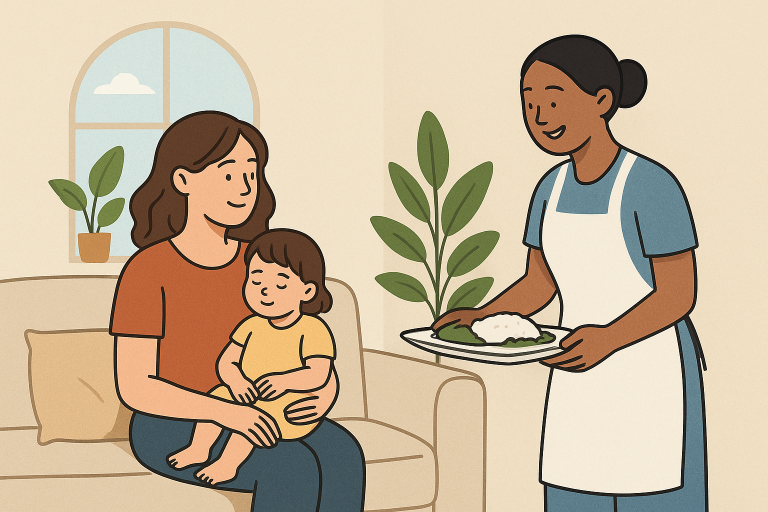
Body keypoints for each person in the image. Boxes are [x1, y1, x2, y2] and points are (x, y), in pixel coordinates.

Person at [433, 35, 706, 511]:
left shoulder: (651, 185)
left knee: (656, 493)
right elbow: (540, 284)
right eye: (529, 103)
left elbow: (678, 294)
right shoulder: (550, 189)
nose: (539, 117)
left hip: (651, 371)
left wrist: (608, 338)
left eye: (553, 100)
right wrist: (480, 317)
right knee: (576, 491)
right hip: (578, 368)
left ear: (601, 101)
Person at [110, 111, 365, 512]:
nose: (245, 187)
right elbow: (135, 386)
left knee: (343, 455)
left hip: (264, 408)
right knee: (291, 467)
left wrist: (324, 393)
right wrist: (228, 413)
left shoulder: (262, 264)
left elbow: (302, 341)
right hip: (172, 423)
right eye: (228, 173)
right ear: (183, 180)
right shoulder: (148, 269)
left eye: (252, 173)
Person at [168, 228, 337, 487]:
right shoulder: (250, 325)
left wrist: (284, 382)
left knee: (253, 419)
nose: (265, 291)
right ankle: (199, 448)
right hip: (249, 392)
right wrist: (236, 382)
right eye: (256, 281)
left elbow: (319, 373)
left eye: (281, 283)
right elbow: (227, 361)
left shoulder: (313, 329)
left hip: (289, 407)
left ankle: (227, 464)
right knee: (216, 396)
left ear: (307, 292)